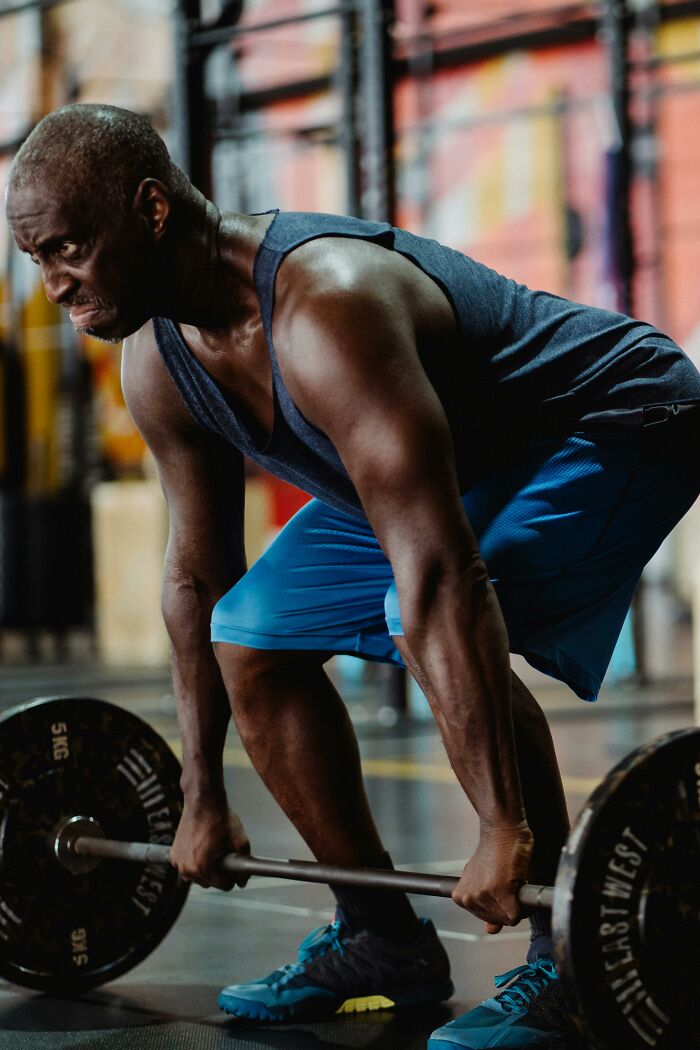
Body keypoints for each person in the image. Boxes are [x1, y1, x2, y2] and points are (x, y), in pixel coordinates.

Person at [5, 103, 700, 1050]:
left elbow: (444, 577)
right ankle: (379, 943)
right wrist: (199, 790)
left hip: (612, 421)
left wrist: (503, 828)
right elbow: (199, 575)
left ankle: (563, 963)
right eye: (37, 258)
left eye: (69, 249)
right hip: (463, 453)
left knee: (429, 610)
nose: (51, 283)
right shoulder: (159, 361)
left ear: (153, 209)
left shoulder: (326, 308)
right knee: (252, 632)